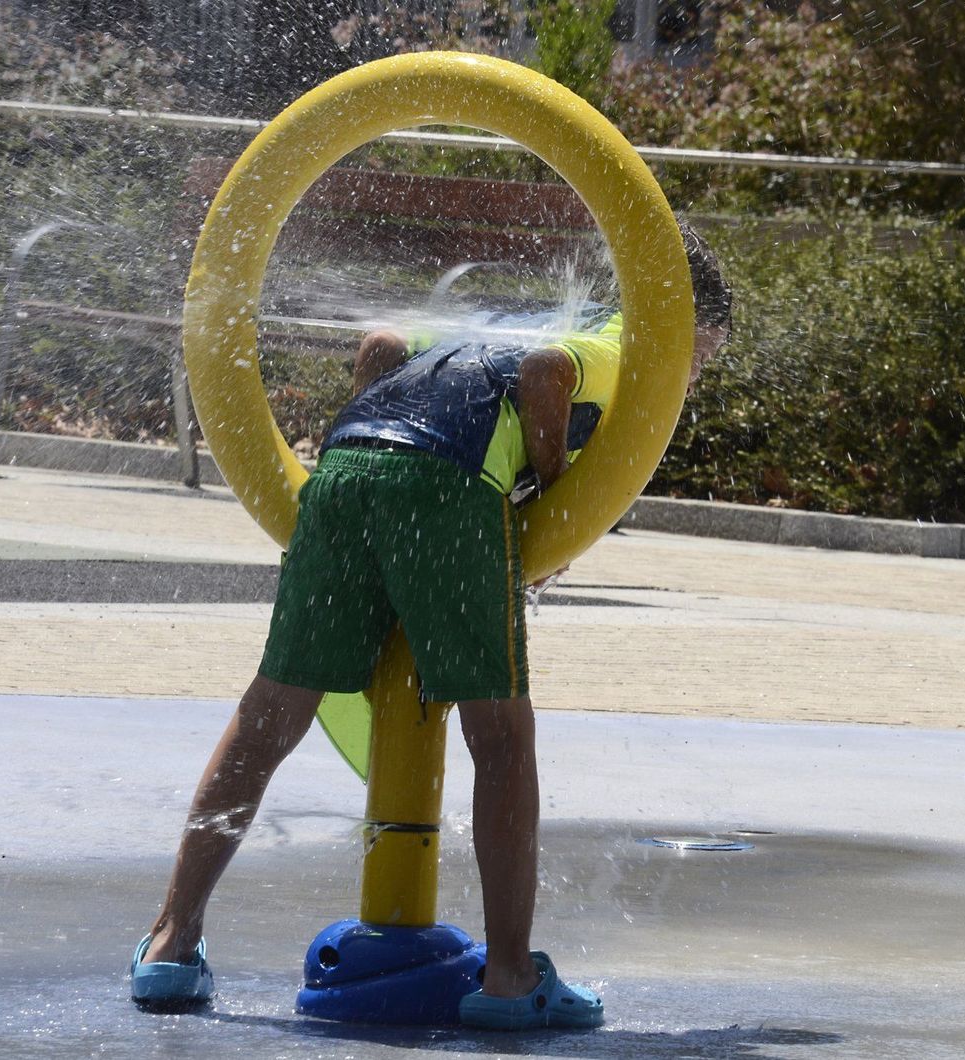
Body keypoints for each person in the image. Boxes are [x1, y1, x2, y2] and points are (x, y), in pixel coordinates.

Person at [129, 223, 732, 1030]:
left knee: (270, 713)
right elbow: (549, 375)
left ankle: (170, 943)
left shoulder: (504, 319)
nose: (695, 375)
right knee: (501, 735)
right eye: (706, 359)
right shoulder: (624, 345)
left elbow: (381, 347)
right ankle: (513, 977)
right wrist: (556, 498)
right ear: (690, 327)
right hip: (449, 488)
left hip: (345, 467)